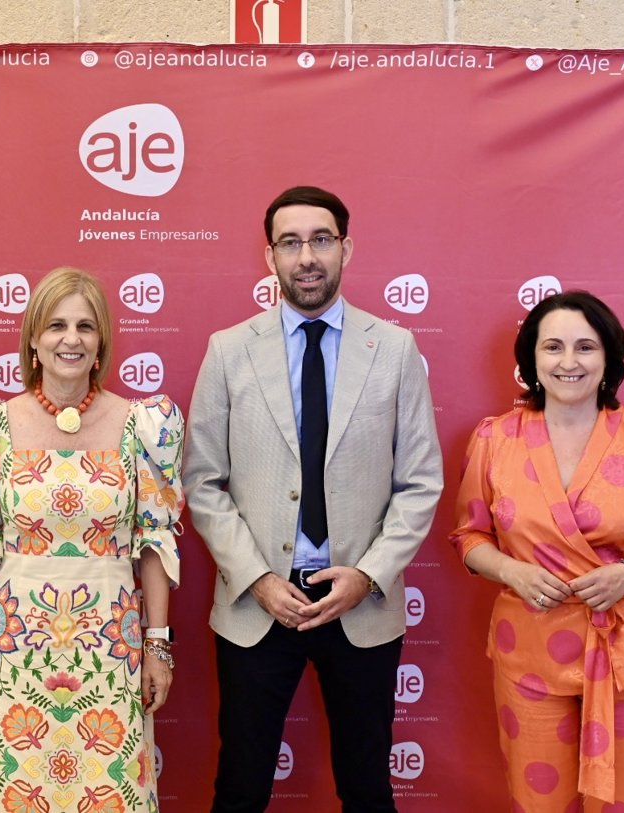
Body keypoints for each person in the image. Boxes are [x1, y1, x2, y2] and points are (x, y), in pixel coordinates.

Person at [185, 186, 443, 813]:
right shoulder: (229, 349)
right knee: (240, 786)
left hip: (360, 602)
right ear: (269, 256)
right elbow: (202, 480)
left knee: (367, 788)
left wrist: (368, 575)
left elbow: (420, 482)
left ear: (345, 249)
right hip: (258, 604)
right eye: (291, 242)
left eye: (321, 240)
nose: (307, 256)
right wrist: (256, 578)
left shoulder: (394, 349)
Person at [450, 290, 624, 812]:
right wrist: (513, 572)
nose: (569, 362)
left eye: (585, 347)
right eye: (553, 347)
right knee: (539, 799)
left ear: (609, 357)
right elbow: (469, 536)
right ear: (531, 359)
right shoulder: (496, 438)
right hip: (530, 647)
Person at [0, 266, 184, 812]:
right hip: (16, 648)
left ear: (101, 342)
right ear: (33, 340)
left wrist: (157, 647)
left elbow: (154, 540)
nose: (71, 339)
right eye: (56, 325)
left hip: (112, 647)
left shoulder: (143, 425)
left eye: (85, 326)